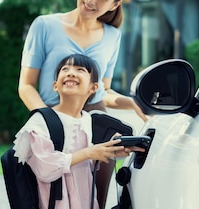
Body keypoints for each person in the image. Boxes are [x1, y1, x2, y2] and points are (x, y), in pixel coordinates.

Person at [17, 0, 146, 207]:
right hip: (52, 121)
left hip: (94, 126)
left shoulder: (113, 36)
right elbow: (26, 86)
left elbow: (102, 91)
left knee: (93, 196)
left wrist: (132, 103)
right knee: (48, 196)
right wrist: (51, 123)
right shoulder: (44, 26)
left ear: (115, 4)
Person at [13, 54, 143, 209]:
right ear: (55, 85)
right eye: (65, 69)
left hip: (85, 201)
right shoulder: (41, 122)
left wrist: (109, 151)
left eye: (80, 69)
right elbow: (44, 168)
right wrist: (88, 152)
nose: (71, 72)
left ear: (93, 88)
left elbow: (87, 163)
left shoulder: (87, 120)